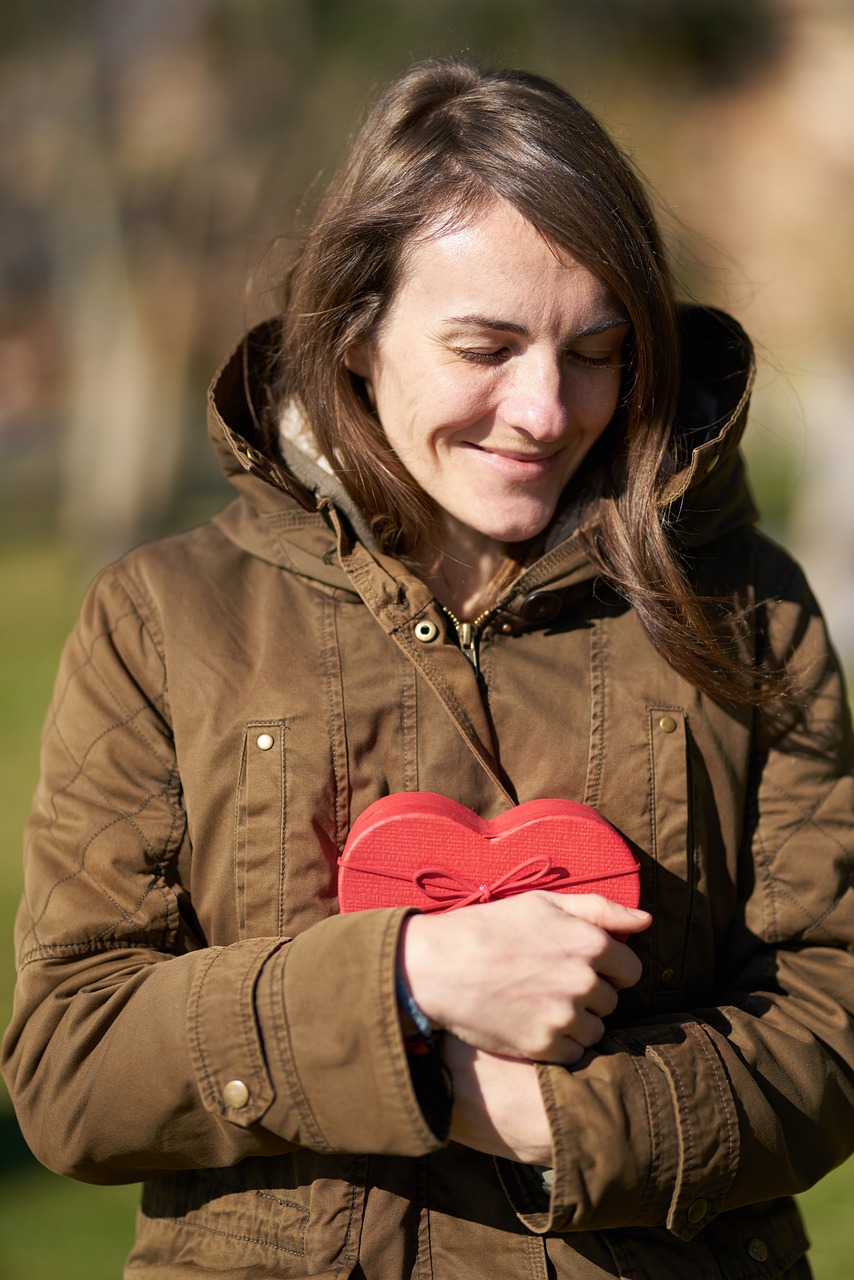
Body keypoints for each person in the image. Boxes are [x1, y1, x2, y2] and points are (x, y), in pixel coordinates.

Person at [3, 57, 853, 1280]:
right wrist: (405, 986)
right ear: (353, 339)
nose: (546, 410)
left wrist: (531, 1117)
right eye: (484, 345)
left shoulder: (744, 606)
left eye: (597, 349)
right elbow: (70, 1070)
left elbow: (831, 1019)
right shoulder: (162, 619)